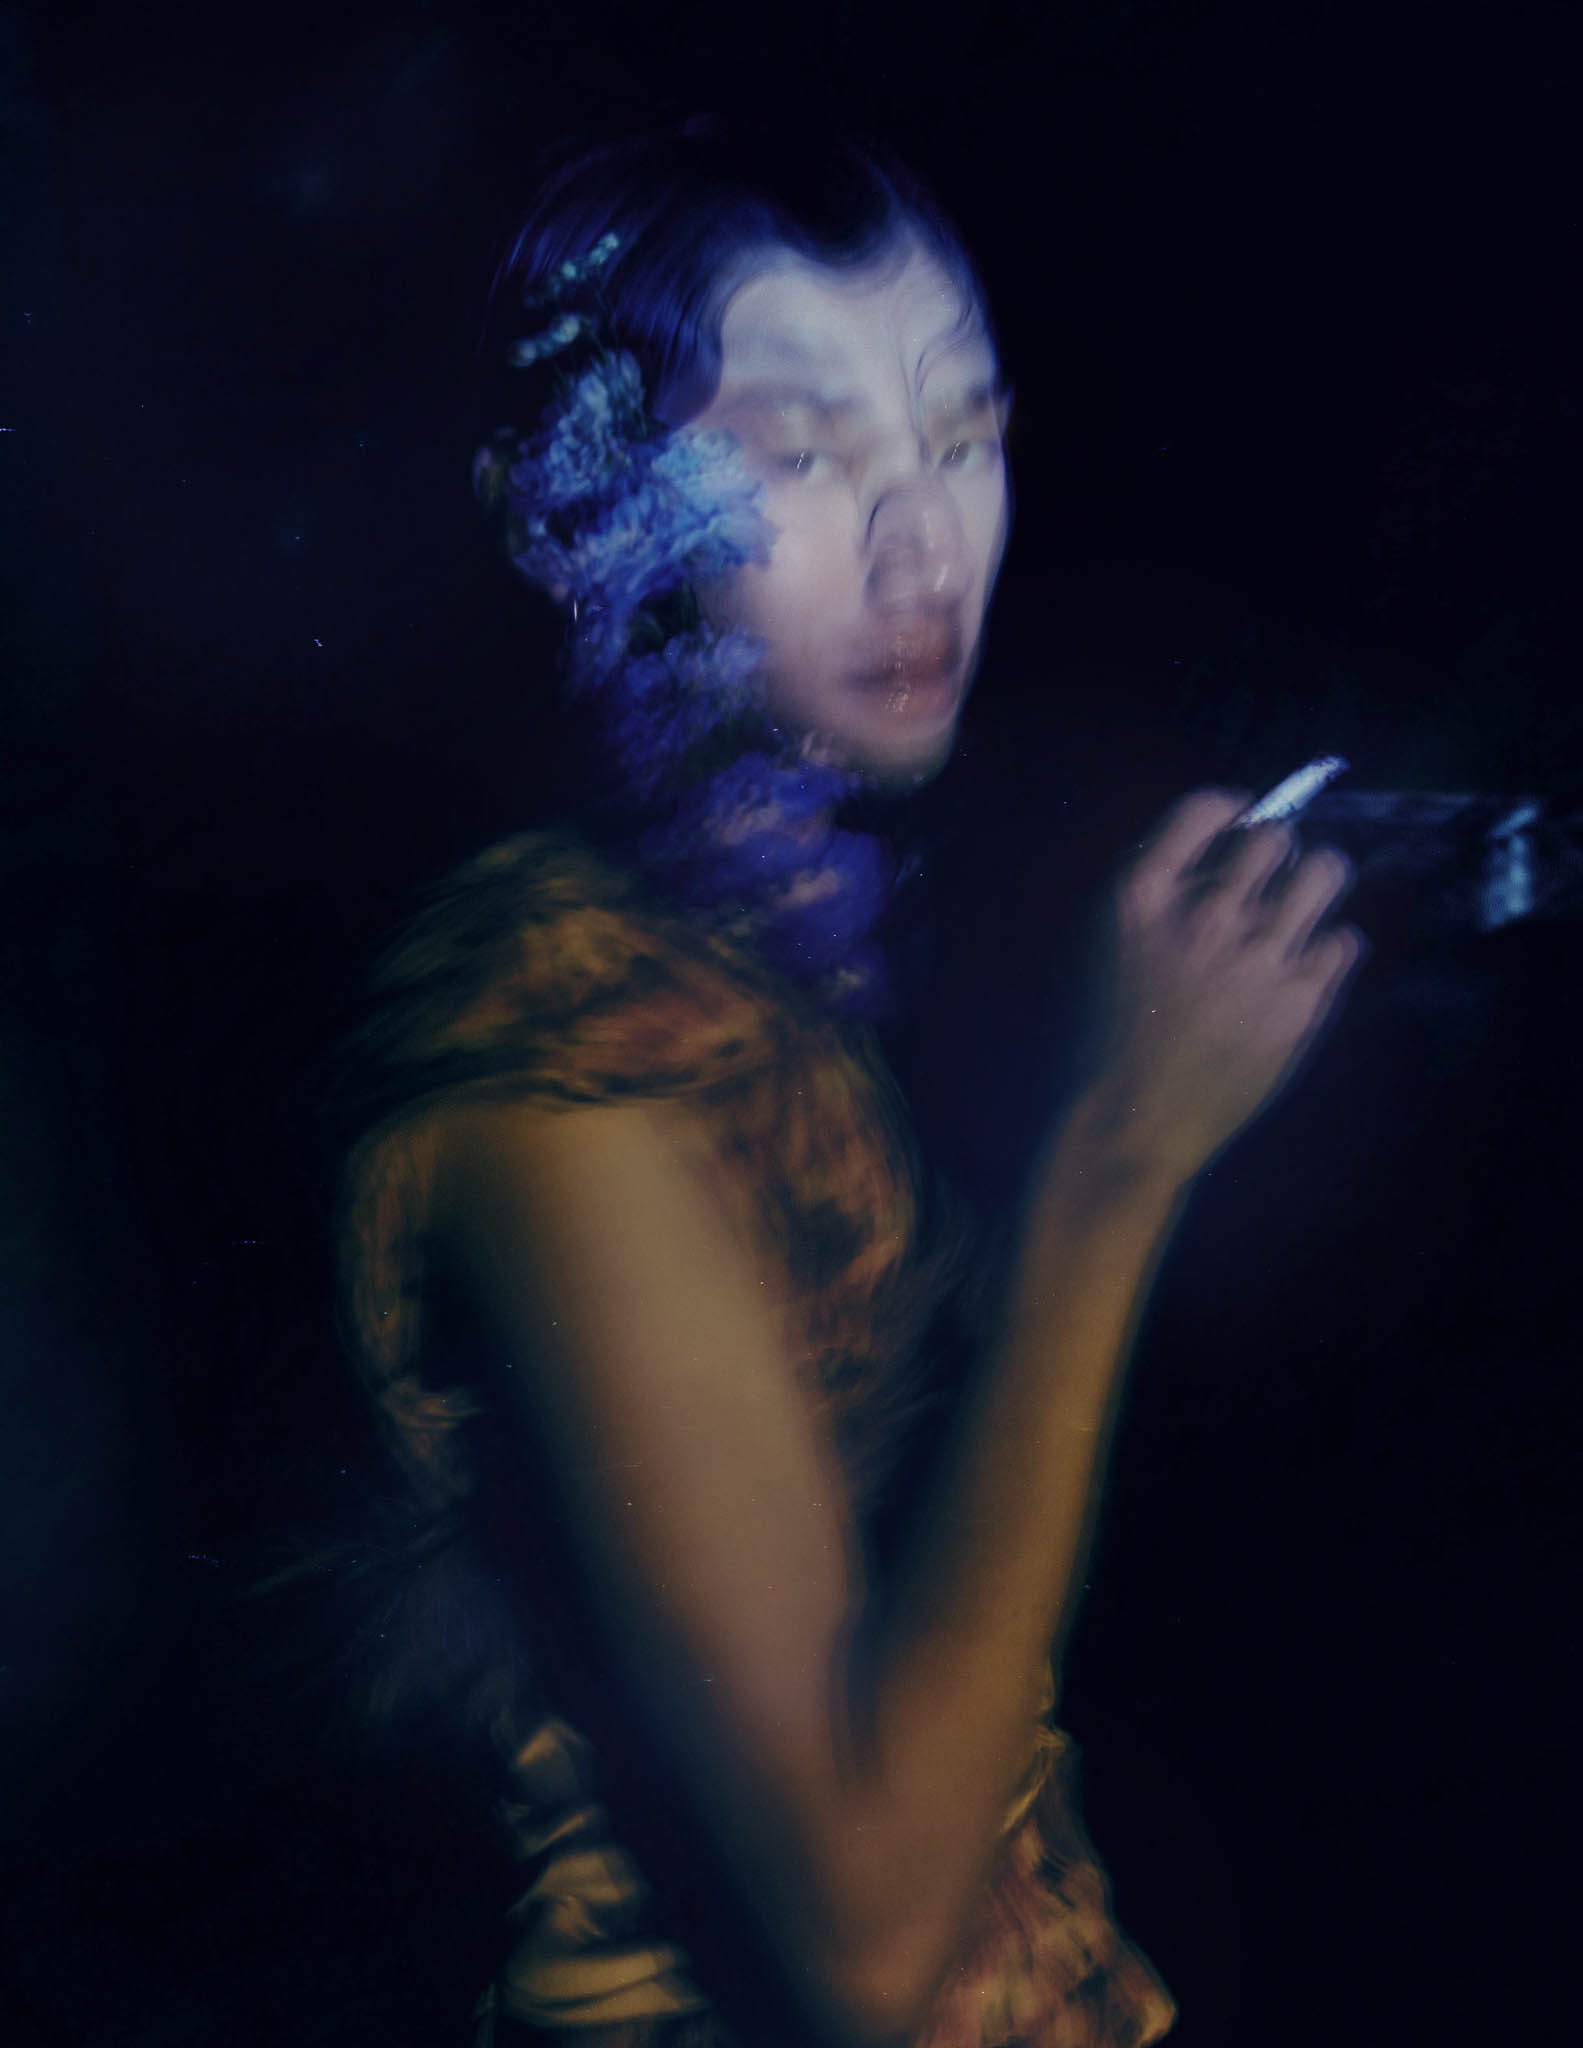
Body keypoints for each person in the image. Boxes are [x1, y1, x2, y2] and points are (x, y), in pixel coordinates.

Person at [310, 112, 1363, 2048]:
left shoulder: (765, 942)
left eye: (960, 433)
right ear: (562, 506)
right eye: (802, 455)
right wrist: (1120, 1158)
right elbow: (858, 1953)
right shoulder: (554, 1082)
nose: (921, 544)